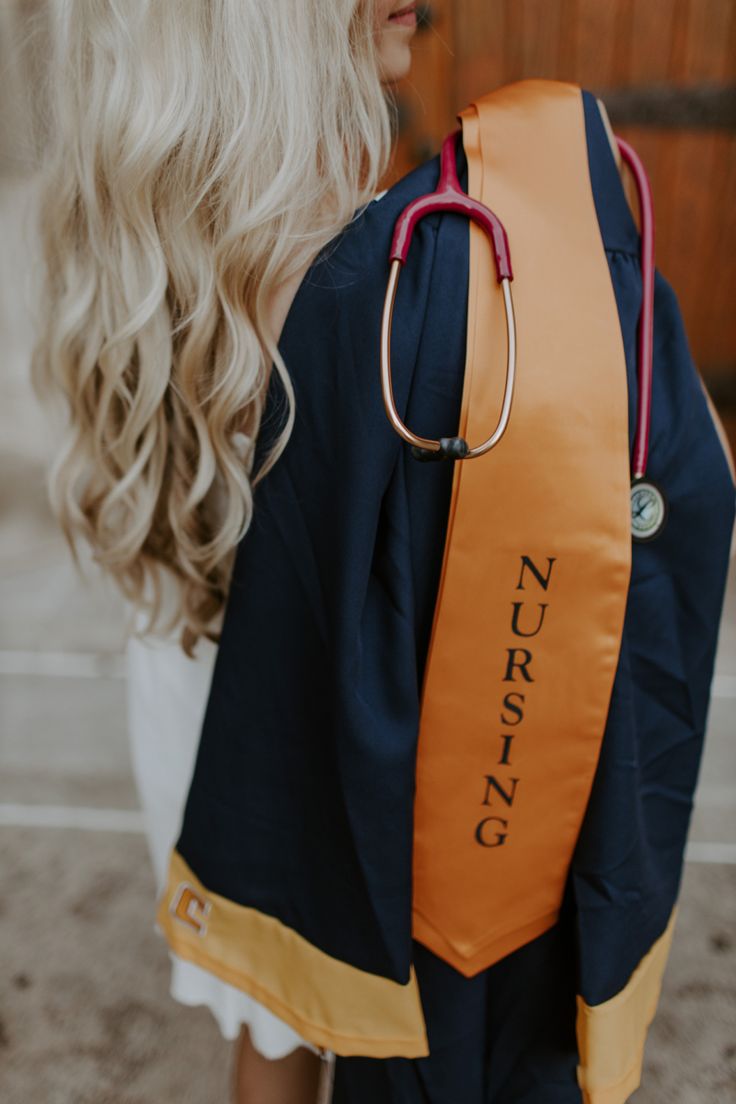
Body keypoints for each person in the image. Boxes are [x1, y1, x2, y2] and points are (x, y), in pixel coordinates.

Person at [31, 3, 734, 1104]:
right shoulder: (389, 271)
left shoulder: (177, 238)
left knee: (278, 1002)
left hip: (200, 671)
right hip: (356, 701)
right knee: (390, 1011)